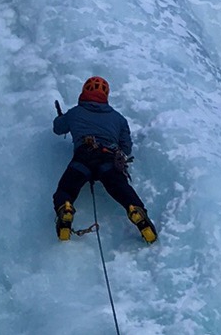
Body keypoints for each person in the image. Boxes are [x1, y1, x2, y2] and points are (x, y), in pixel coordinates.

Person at [52, 77, 158, 244]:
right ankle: (136, 210)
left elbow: (58, 128)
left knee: (66, 189)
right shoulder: (118, 118)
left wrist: (62, 118)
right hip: (109, 159)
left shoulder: (75, 113)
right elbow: (126, 147)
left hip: (83, 157)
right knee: (121, 188)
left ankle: (65, 208)